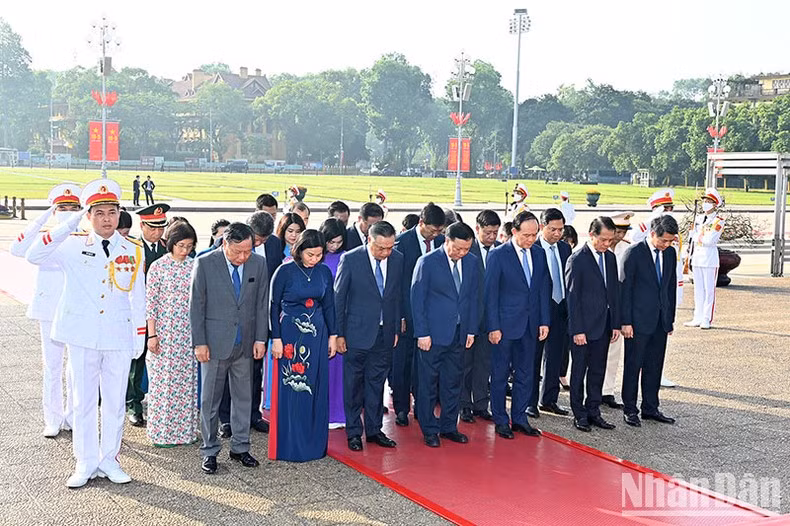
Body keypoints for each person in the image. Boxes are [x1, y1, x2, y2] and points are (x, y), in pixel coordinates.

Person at [27, 178, 146, 488]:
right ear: (88, 215)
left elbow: (138, 295)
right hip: (82, 335)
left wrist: (139, 337)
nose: (108, 219)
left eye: (113, 212)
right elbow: (33, 255)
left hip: (117, 335)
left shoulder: (132, 249)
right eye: (100, 213)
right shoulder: (72, 243)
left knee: (114, 402)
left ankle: (109, 459)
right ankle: (85, 461)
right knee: (82, 401)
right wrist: (68, 224)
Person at [190, 222, 269, 475]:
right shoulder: (205, 264)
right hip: (213, 344)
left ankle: (240, 447)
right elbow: (196, 307)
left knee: (244, 399)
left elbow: (260, 304)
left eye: (248, 251)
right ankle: (210, 450)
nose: (243, 257)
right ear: (225, 244)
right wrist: (199, 342)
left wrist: (260, 339)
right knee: (210, 401)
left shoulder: (258, 264)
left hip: (245, 343)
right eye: (237, 252)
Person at [10, 184, 81, 437]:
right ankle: (52, 418)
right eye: (62, 208)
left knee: (76, 367)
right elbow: (17, 249)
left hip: (75, 309)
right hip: (49, 309)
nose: (67, 212)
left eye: (73, 208)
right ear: (53, 209)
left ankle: (72, 416)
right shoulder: (43, 235)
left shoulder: (83, 235)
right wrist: (43, 218)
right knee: (52, 367)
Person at [268, 230, 338, 462]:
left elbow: (329, 305)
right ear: (299, 250)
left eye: (319, 255)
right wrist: (275, 338)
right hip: (289, 336)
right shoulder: (285, 271)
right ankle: (291, 445)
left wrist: (333, 336)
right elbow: (274, 305)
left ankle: (314, 444)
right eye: (310, 254)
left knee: (315, 386)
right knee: (293, 388)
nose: (315, 259)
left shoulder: (324, 272)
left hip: (317, 335)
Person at [334, 221, 403, 451]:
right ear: (369, 240)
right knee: (353, 385)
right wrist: (339, 334)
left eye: (390, 247)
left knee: (377, 384)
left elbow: (396, 297)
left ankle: (374, 430)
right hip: (356, 334)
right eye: (381, 248)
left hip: (384, 335)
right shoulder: (351, 259)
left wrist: (394, 329)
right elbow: (339, 299)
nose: (386, 252)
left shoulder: (398, 259)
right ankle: (354, 431)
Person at [412, 222, 479, 447]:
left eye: (466, 249)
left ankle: (449, 426)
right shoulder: (428, 262)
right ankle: (429, 429)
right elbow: (417, 300)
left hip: (459, 334)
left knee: (453, 383)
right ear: (446, 241)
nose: (462, 253)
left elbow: (474, 298)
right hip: (432, 335)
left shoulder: (472, 262)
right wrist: (422, 333)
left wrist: (471, 329)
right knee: (428, 384)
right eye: (458, 248)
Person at [485, 211, 549, 439]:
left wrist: (544, 320)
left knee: (526, 374)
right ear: (514, 231)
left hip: (530, 326)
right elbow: (490, 294)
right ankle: (501, 418)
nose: (531, 239)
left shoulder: (539, 254)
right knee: (500, 374)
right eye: (526, 235)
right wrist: (493, 326)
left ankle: (520, 418)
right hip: (504, 326)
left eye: (535, 235)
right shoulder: (498, 255)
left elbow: (542, 289)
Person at [217, 212, 276, 439]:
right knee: (225, 377)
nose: (259, 243)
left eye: (263, 240)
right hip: (229, 325)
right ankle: (225, 420)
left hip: (258, 319)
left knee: (254, 372)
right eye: (257, 238)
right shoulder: (224, 247)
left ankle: (253, 415)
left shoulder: (273, 247)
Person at [144, 221, 200, 447]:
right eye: (181, 246)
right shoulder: (158, 267)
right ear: (170, 244)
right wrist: (152, 334)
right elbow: (151, 303)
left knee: (186, 384)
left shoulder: (195, 266)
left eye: (189, 246)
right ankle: (162, 434)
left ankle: (185, 433)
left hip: (188, 334)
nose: (185, 250)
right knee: (163, 384)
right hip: (165, 333)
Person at [621, 215, 679, 428]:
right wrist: (625, 321)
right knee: (633, 365)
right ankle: (630, 408)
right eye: (664, 240)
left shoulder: (670, 253)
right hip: (637, 322)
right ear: (652, 234)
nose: (667, 245)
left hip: (660, 321)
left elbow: (670, 287)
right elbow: (625, 290)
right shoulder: (634, 253)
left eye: (670, 241)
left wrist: (669, 319)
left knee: (655, 365)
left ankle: (650, 407)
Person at [565, 216, 621, 433]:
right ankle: (579, 413)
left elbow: (614, 293)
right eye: (604, 239)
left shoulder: (610, 258)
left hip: (603, 326)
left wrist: (615, 323)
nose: (608, 244)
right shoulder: (577, 259)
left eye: (611, 240)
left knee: (598, 369)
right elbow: (573, 297)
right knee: (579, 371)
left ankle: (594, 411)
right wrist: (577, 329)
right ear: (592, 234)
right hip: (583, 328)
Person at [392, 202, 446, 427]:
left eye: (439, 231)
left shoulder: (443, 244)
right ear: (421, 223)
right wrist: (401, 316)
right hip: (407, 315)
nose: (435, 234)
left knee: (426, 366)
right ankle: (401, 407)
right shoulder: (402, 244)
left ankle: (423, 406)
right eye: (432, 230)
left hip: (433, 317)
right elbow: (396, 284)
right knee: (403, 363)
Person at [126, 203, 171, 428]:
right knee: (137, 358)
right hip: (137, 312)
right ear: (142, 225)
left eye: (161, 227)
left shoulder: (167, 248)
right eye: (152, 227)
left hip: (163, 314)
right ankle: (133, 403)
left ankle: (159, 402)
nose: (157, 232)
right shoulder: (131, 248)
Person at [528, 208, 572, 418]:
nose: (557, 234)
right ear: (542, 227)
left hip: (561, 308)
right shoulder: (532, 248)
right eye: (552, 229)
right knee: (533, 358)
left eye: (560, 229)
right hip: (538, 311)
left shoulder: (564, 249)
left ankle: (549, 400)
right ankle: (529, 402)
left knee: (555, 357)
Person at [460, 210, 501, 423]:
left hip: (490, 320)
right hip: (469, 318)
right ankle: (465, 404)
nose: (492, 237)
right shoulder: (467, 251)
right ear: (477, 229)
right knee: (466, 363)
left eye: (495, 232)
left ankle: (481, 404)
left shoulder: (501, 251)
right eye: (488, 232)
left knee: (484, 363)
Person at [601, 212, 634, 409]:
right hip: (597, 307)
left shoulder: (627, 249)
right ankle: (592, 390)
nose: (619, 236)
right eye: (617, 231)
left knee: (613, 351)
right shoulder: (596, 249)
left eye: (623, 232)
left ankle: (607, 391)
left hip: (617, 307)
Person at [319, 218, 347, 429]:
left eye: (338, 242)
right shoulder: (316, 259)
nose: (334, 246)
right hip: (319, 319)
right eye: (331, 242)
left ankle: (338, 412)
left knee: (339, 370)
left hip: (339, 320)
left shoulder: (347, 258)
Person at [685, 187, 725, 330]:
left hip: (709, 259)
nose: (705, 204)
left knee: (709, 291)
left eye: (709, 201)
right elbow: (693, 238)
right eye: (704, 201)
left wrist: (695, 236)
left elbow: (709, 240)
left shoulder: (718, 221)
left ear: (715, 204)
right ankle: (698, 316)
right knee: (698, 289)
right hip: (697, 257)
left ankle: (707, 318)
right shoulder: (699, 219)